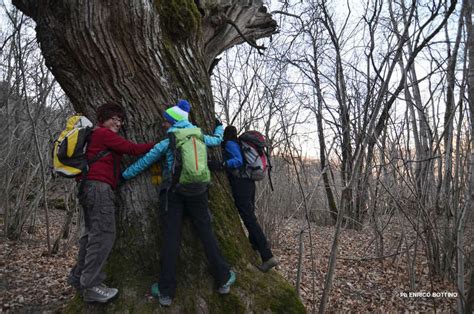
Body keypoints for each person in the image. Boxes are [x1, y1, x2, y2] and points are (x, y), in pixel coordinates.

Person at [121, 99, 235, 307]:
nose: (163, 124)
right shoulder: (200, 135)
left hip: (174, 193)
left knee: (171, 238)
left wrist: (124, 175)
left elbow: (146, 160)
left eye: (166, 121)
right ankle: (223, 279)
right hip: (199, 191)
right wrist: (219, 126)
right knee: (206, 234)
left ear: (173, 122)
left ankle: (166, 292)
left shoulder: (169, 141)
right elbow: (218, 139)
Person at [67, 103, 155, 303]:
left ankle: (78, 277)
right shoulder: (103, 134)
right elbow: (132, 148)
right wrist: (158, 145)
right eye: (112, 118)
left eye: (120, 119)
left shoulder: (95, 136)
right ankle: (90, 286)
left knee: (91, 234)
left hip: (89, 188)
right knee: (104, 234)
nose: (117, 122)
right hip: (98, 188)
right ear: (103, 119)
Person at [220, 125, 278, 272]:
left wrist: (222, 164)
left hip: (241, 184)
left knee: (249, 218)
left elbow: (238, 161)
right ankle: (254, 245)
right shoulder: (240, 144)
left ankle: (267, 256)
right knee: (250, 216)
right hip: (249, 183)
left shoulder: (230, 144)